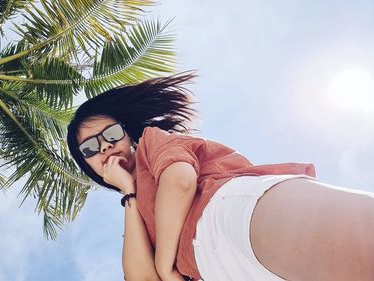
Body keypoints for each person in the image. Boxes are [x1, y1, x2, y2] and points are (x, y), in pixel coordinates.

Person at [66, 73, 374, 281]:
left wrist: (163, 263)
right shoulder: (136, 211)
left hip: (230, 212)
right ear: (87, 164)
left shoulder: (151, 142)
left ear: (127, 135)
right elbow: (142, 279)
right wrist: (129, 193)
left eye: (111, 134)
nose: (105, 145)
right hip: (218, 270)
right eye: (90, 148)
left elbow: (180, 180)